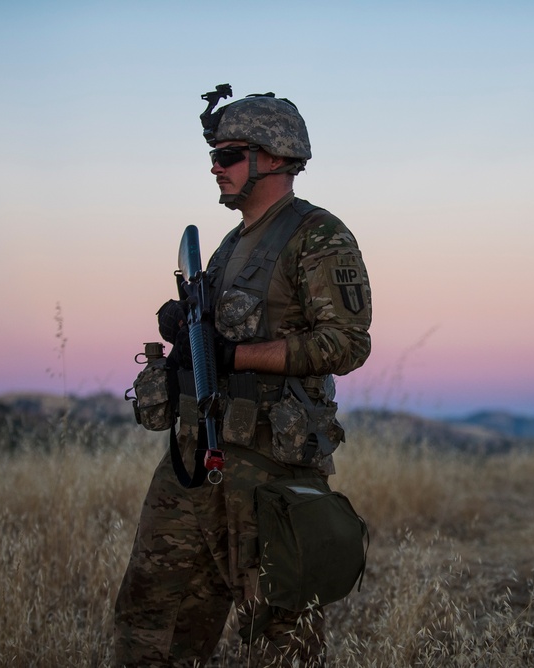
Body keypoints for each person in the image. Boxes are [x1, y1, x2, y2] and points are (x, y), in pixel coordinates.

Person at [114, 85, 372, 667]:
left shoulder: (318, 235)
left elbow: (347, 343)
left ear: (274, 157)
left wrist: (237, 357)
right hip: (196, 453)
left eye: (229, 155)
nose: (215, 167)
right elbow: (222, 335)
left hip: (268, 468)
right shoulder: (230, 244)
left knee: (282, 627)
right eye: (215, 156)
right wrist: (188, 331)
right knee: (156, 612)